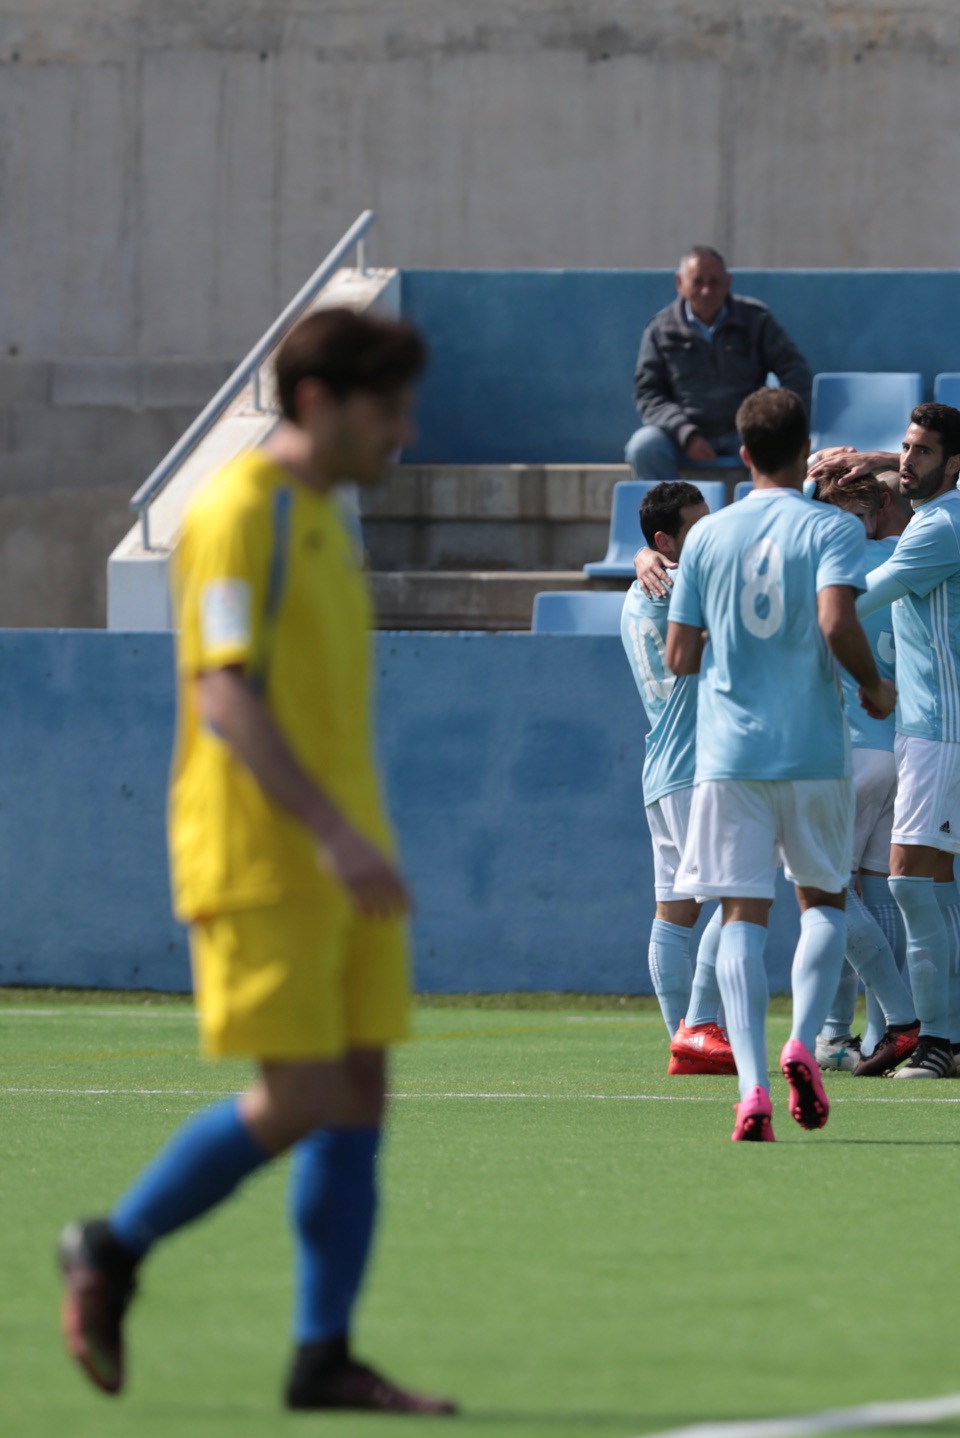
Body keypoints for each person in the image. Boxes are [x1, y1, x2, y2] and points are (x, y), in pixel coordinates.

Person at [57, 308, 456, 1414]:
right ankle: (111, 1246)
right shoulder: (238, 513)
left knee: (359, 1090)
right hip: (265, 855)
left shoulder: (322, 516)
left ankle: (323, 1355)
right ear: (319, 402)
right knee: (299, 1096)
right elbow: (222, 695)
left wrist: (356, 838)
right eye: (387, 410)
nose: (405, 433)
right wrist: (331, 833)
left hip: (343, 858)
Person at [665, 388, 896, 1141]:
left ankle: (753, 1089)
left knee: (741, 913)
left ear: (743, 454)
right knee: (823, 902)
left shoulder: (707, 535)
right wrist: (874, 685)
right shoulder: (833, 526)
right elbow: (835, 619)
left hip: (730, 754)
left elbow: (680, 655)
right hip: (813, 748)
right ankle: (802, 1040)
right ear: (806, 451)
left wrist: (728, 639)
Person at [853, 404, 960, 1080]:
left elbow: (857, 597)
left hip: (944, 729)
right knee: (933, 890)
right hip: (937, 728)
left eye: (922, 451)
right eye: (905, 447)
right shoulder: (954, 511)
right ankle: (956, 1043)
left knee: (911, 883)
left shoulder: (939, 527)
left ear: (952, 463)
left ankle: (937, 1042)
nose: (907, 460)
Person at [619, 481, 736, 1076]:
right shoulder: (684, 589)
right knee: (741, 895)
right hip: (697, 767)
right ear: (666, 541)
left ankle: (684, 1042)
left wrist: (642, 555)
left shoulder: (637, 592)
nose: (712, 534)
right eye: (699, 527)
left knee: (675, 910)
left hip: (663, 766)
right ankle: (698, 1025)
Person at [809, 473, 921, 1077]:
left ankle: (851, 1030)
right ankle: (874, 1036)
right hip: (901, 747)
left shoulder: (826, 564)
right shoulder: (908, 554)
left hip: (848, 747)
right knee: (879, 895)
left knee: (829, 896)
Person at [626, 246, 813, 484]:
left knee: (778, 444)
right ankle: (668, 508)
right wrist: (686, 434)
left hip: (745, 430)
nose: (706, 291)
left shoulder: (756, 319)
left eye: (714, 282)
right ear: (680, 283)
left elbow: (794, 371)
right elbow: (648, 393)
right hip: (682, 436)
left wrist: (774, 418)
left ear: (728, 282)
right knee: (644, 447)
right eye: (697, 282)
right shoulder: (660, 329)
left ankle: (767, 506)